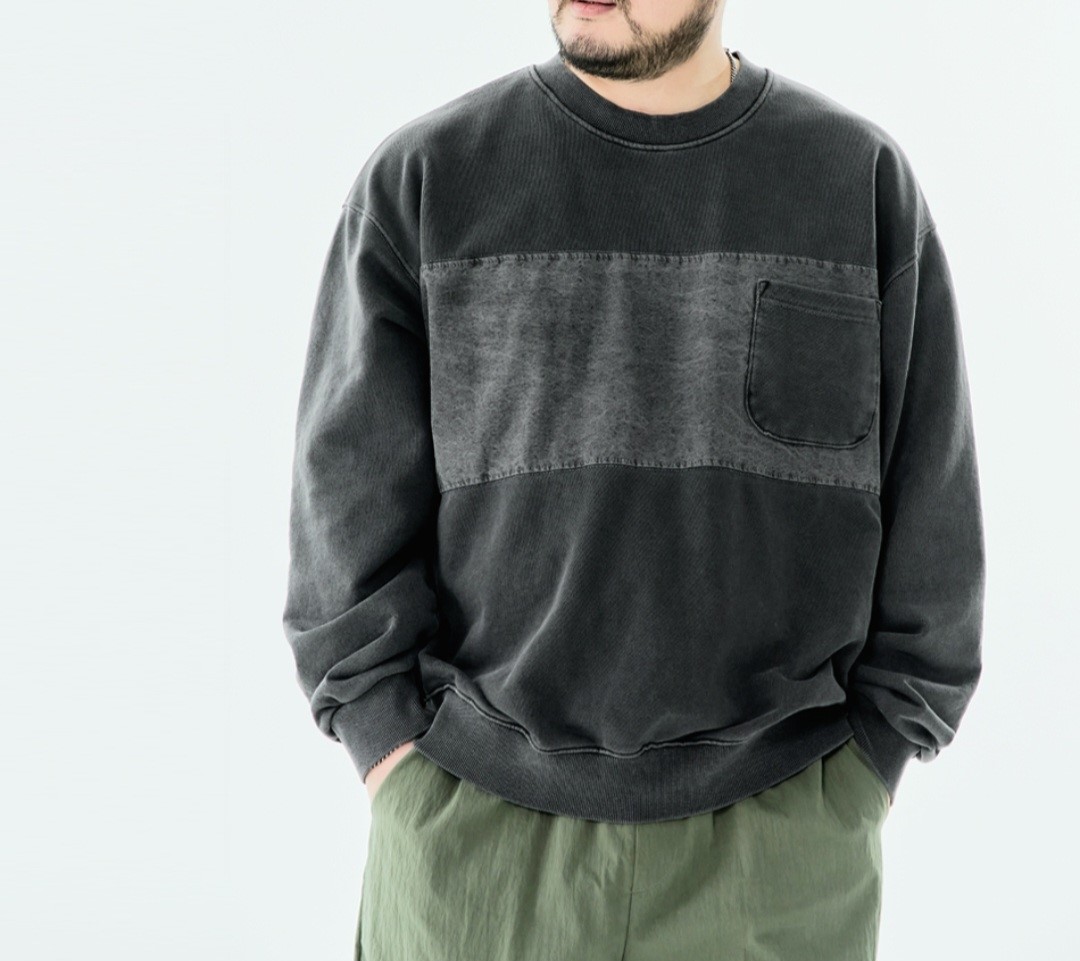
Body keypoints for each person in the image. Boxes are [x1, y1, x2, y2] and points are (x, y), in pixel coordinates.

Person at [282, 1, 985, 958]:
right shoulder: (425, 181)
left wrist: (863, 772)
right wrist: (395, 759)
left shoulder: (855, 183)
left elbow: (934, 525)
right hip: (470, 857)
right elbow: (341, 525)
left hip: (778, 859)